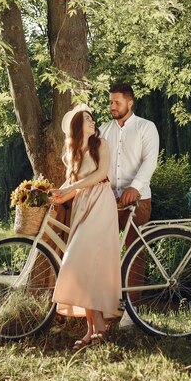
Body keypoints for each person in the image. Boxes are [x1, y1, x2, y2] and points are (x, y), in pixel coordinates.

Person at [51, 103, 122, 350]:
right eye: (88, 119)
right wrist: (55, 196)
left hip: (101, 204)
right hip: (82, 206)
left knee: (80, 260)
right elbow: (72, 186)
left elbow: (101, 174)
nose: (93, 122)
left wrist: (70, 189)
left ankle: (99, 327)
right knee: (83, 266)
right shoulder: (72, 154)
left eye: (93, 118)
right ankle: (92, 329)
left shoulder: (101, 145)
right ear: (77, 125)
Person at [100, 83, 159, 322]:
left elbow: (150, 160)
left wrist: (135, 186)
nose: (112, 106)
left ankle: (132, 313)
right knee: (105, 250)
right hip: (109, 201)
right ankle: (108, 304)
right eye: (110, 102)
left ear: (130, 102)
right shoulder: (104, 130)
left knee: (135, 251)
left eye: (117, 102)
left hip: (139, 200)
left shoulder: (146, 127)